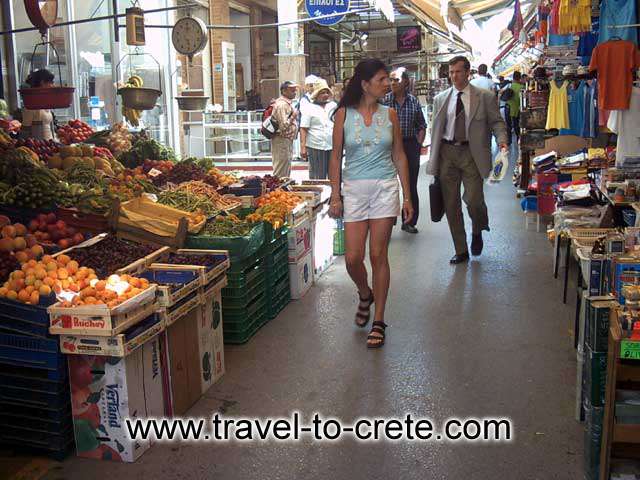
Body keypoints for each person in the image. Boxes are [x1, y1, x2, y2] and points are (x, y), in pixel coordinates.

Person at [328, 59, 413, 348]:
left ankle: (379, 320)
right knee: (352, 258)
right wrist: (335, 194)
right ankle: (365, 293)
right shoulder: (343, 115)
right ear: (365, 85)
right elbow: (336, 156)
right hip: (353, 190)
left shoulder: (390, 114)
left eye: (388, 79)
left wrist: (407, 195)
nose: (388, 84)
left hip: (384, 189)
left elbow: (399, 155)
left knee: (378, 255)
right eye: (382, 79)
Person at [426, 56, 508, 264]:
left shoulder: (485, 97)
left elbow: (497, 123)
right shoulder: (441, 99)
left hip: (472, 154)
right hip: (447, 154)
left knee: (473, 200)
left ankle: (478, 230)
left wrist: (503, 142)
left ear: (468, 72)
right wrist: (433, 160)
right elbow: (435, 131)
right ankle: (461, 249)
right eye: (451, 72)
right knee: (451, 205)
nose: (454, 76)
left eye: (458, 72)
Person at [382, 67, 426, 234]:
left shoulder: (413, 101)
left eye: (396, 80)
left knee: (410, 184)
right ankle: (387, 221)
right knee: (388, 184)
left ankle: (409, 221)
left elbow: (422, 125)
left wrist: (418, 143)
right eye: (391, 80)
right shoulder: (384, 101)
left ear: (406, 82)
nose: (392, 83)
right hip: (388, 146)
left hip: (409, 145)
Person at [300, 79, 337, 179]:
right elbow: (303, 128)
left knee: (334, 174)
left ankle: (333, 194)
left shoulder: (333, 106)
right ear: (316, 94)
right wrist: (303, 147)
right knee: (317, 175)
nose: (325, 95)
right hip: (316, 145)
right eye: (322, 93)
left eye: (326, 92)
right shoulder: (309, 108)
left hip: (332, 145)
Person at [270, 80, 299, 178]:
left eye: (295, 90)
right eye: (292, 90)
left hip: (286, 140)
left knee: (285, 166)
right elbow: (283, 126)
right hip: (281, 140)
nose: (294, 93)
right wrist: (293, 117)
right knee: (281, 168)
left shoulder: (286, 104)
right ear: (284, 91)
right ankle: (278, 190)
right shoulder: (282, 105)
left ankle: (282, 189)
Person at [20, 69, 56, 141]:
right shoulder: (30, 106)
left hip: (50, 146)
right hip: (39, 148)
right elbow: (24, 133)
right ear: (42, 83)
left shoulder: (46, 102)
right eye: (51, 82)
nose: (53, 86)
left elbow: (49, 129)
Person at [505, 71, 524, 145]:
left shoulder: (509, 85)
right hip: (516, 108)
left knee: (508, 125)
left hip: (507, 107)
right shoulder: (521, 87)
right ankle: (518, 140)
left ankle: (508, 141)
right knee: (516, 125)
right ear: (520, 78)